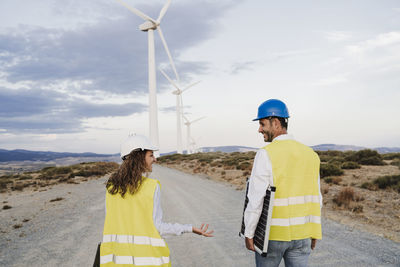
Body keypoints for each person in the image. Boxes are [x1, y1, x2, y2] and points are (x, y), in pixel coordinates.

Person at [99, 134, 213, 266]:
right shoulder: (151, 187)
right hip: (147, 261)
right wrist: (189, 228)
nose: (155, 159)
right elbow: (158, 228)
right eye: (151, 155)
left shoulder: (111, 187)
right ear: (139, 157)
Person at [244, 99, 322, 267]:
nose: (259, 129)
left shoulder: (266, 154)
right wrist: (314, 230)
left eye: (262, 124)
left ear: (276, 123)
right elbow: (317, 197)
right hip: (303, 235)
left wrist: (249, 232)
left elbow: (256, 198)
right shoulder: (311, 154)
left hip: (272, 236)